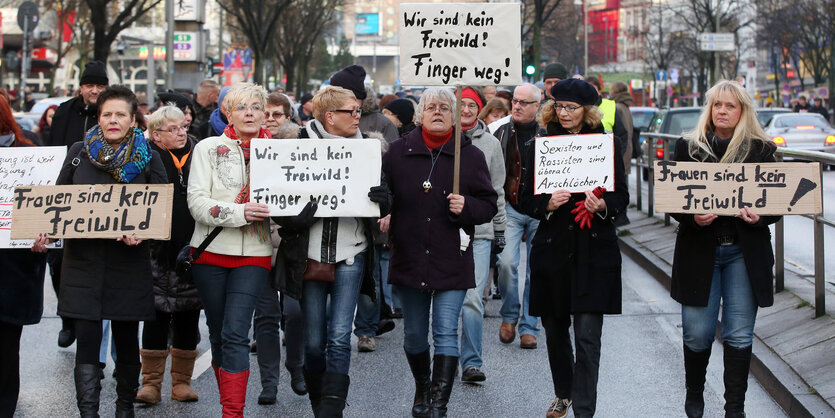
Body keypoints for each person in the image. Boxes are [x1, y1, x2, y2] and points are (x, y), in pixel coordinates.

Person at [31, 85, 168, 417]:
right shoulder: (79, 152)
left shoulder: (149, 156)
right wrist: (43, 233)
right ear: (98, 116)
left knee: (125, 338)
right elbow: (56, 202)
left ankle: (124, 408)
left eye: (120, 114)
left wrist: (144, 234)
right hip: (83, 263)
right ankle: (88, 412)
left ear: (133, 118)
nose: (113, 120)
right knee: (88, 340)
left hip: (128, 263)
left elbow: (166, 210)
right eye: (107, 114)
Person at [273, 85, 389, 417]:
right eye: (351, 111)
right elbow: (277, 199)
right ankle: (317, 401)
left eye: (358, 111)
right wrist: (295, 218)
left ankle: (331, 411)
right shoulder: (297, 147)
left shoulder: (368, 150)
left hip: (351, 252)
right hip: (307, 255)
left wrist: (384, 199)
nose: (358, 117)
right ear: (329, 116)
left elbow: (383, 197)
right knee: (313, 342)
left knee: (340, 336)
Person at [383, 87, 497, 417]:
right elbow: (382, 195)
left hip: (451, 256)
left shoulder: (470, 155)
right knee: (415, 337)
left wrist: (468, 207)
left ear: (454, 115)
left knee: (446, 331)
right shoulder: (397, 152)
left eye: (445, 107)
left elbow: (489, 204)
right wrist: (383, 206)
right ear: (420, 114)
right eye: (431, 107)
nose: (437, 112)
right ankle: (423, 386)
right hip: (410, 255)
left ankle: (438, 405)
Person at [670, 80, 780, 418]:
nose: (722, 111)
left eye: (730, 106)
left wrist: (761, 216)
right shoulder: (688, 147)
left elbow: (778, 200)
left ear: (742, 110)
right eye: (717, 104)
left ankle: (735, 408)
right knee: (697, 332)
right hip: (699, 250)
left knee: (739, 332)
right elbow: (672, 197)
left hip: (743, 254)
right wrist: (692, 217)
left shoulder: (761, 150)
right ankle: (695, 393)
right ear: (709, 108)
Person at [520, 78, 628, 418]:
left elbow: (622, 196)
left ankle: (584, 409)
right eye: (559, 107)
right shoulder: (540, 144)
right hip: (553, 249)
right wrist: (546, 204)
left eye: (571, 107)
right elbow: (523, 197)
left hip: (593, 250)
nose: (564, 113)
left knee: (588, 336)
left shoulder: (604, 145)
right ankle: (564, 393)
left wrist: (603, 206)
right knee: (554, 331)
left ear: (588, 112)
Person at [187, 83, 273, 417]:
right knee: (220, 333)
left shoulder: (282, 151)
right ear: (228, 113)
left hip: (254, 252)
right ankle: (230, 404)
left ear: (264, 112)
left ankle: (232, 412)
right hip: (209, 253)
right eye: (241, 107)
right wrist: (239, 213)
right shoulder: (208, 148)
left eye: (256, 106)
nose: (249, 112)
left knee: (236, 332)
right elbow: (196, 202)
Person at [133, 105, 201, 405]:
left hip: (192, 249)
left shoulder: (200, 152)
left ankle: (182, 383)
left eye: (183, 126)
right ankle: (151, 384)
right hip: (155, 251)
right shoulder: (144, 155)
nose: (181, 132)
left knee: (188, 316)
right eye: (172, 129)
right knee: (156, 317)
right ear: (156, 134)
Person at [44, 61, 110, 348]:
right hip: (66, 188)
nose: (93, 90)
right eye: (89, 85)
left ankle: (85, 320)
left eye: (99, 86)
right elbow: (52, 146)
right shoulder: (64, 111)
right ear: (81, 87)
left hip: (99, 192)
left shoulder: (109, 112)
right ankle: (67, 318)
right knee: (57, 263)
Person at [251, 92, 308, 405]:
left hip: (291, 244)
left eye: (277, 114)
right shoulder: (247, 149)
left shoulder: (304, 149)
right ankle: (269, 382)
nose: (270, 119)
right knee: (265, 317)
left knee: (295, 312)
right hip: (257, 241)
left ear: (289, 117)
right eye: (266, 114)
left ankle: (295, 365)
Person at [457, 87, 507, 383]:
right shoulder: (439, 139)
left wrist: (499, 229)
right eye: (460, 104)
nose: (465, 110)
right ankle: (445, 358)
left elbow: (497, 190)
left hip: (480, 230)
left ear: (480, 110)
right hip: (443, 230)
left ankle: (472, 362)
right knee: (445, 299)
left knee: (473, 298)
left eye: (472, 105)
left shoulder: (490, 144)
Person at [0, 95, 45, 417]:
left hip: (11, 271)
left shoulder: (28, 154)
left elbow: (45, 211)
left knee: (5, 350)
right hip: (14, 271)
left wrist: (44, 236)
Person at [492, 83, 544, 349]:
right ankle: (509, 315)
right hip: (511, 207)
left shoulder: (548, 133)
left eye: (524, 102)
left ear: (538, 105)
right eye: (515, 101)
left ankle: (529, 325)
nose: (517, 106)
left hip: (542, 210)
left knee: (537, 269)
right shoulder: (500, 131)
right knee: (506, 263)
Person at [330, 65, 399, 144]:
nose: (329, 96)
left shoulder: (383, 124)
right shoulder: (329, 117)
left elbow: (392, 154)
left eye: (334, 92)